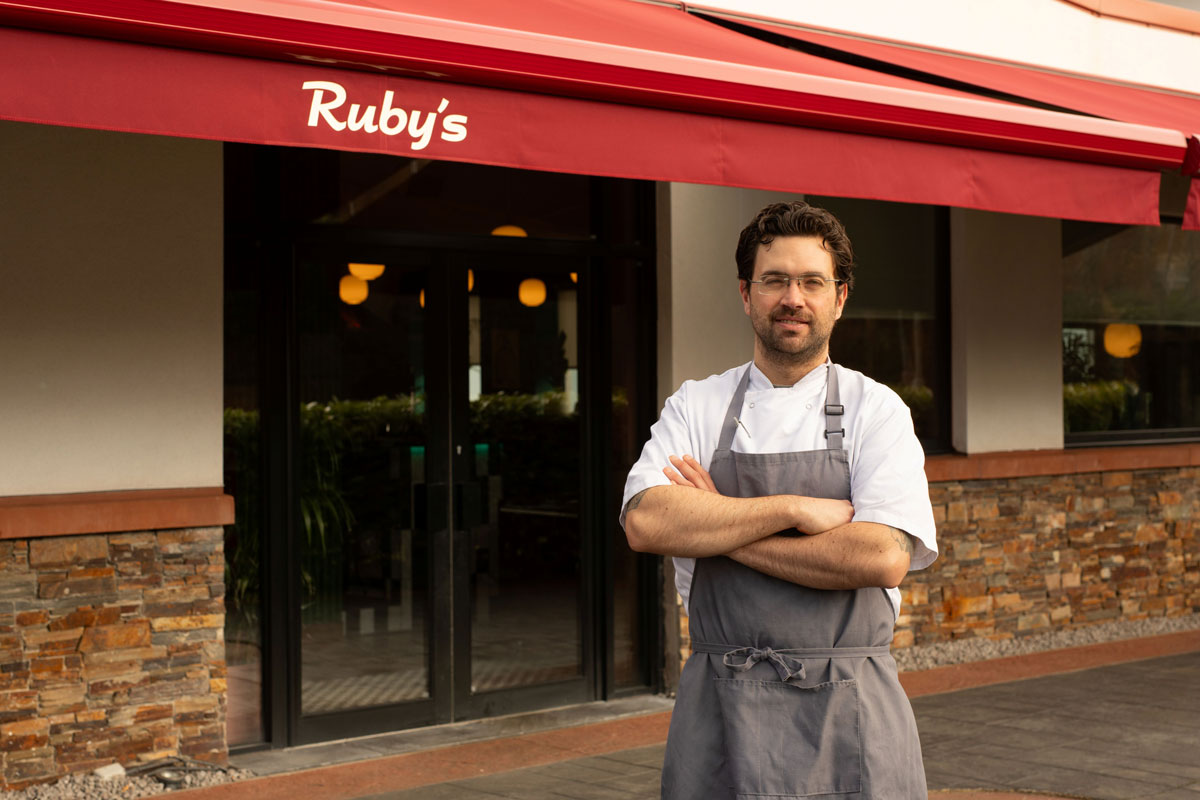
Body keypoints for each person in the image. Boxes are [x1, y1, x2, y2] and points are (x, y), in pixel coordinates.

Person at [621, 200, 938, 799]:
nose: (793, 297)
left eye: (811, 281)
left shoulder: (878, 410)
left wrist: (721, 528)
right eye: (774, 281)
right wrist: (794, 511)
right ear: (746, 295)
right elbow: (646, 521)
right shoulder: (698, 405)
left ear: (839, 298)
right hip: (719, 705)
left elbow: (881, 557)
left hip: (849, 707)